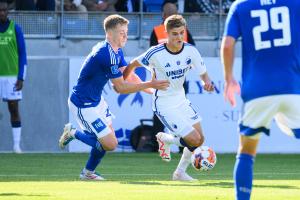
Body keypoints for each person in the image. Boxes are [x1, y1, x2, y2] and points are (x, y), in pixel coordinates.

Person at [58, 14, 169, 181]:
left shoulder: (116, 50)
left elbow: (128, 75)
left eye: (126, 32)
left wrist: (151, 92)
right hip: (82, 104)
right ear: (110, 34)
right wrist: (150, 85)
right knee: (109, 144)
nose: (126, 35)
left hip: (97, 101)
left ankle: (87, 173)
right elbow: (120, 87)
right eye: (121, 32)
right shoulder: (106, 54)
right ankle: (72, 132)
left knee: (106, 141)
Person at [220, 0, 300, 199]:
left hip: (257, 90)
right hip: (292, 86)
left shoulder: (241, 5)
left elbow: (228, 45)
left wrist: (229, 79)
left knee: (246, 151)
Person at [124, 14, 214, 181]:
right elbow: (132, 65)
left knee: (200, 140)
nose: (179, 37)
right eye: (175, 34)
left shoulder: (190, 51)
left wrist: (206, 83)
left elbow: (203, 75)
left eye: (182, 32)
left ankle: (179, 172)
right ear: (166, 33)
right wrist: (132, 83)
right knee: (193, 139)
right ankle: (166, 139)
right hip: (164, 104)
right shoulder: (155, 53)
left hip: (181, 100)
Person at [150, 2, 195, 152]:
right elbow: (152, 57)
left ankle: (183, 144)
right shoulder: (156, 31)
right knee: (160, 113)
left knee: (182, 112)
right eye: (169, 14)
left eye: (174, 14)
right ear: (163, 15)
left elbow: (192, 53)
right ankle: (155, 143)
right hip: (163, 82)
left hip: (180, 81)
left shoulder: (185, 31)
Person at [0, 0, 27, 153]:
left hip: (11, 76)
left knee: (14, 109)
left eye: (4, 10)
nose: (1, 13)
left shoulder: (15, 28)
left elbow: (23, 53)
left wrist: (21, 77)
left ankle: (16, 146)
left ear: (8, 11)